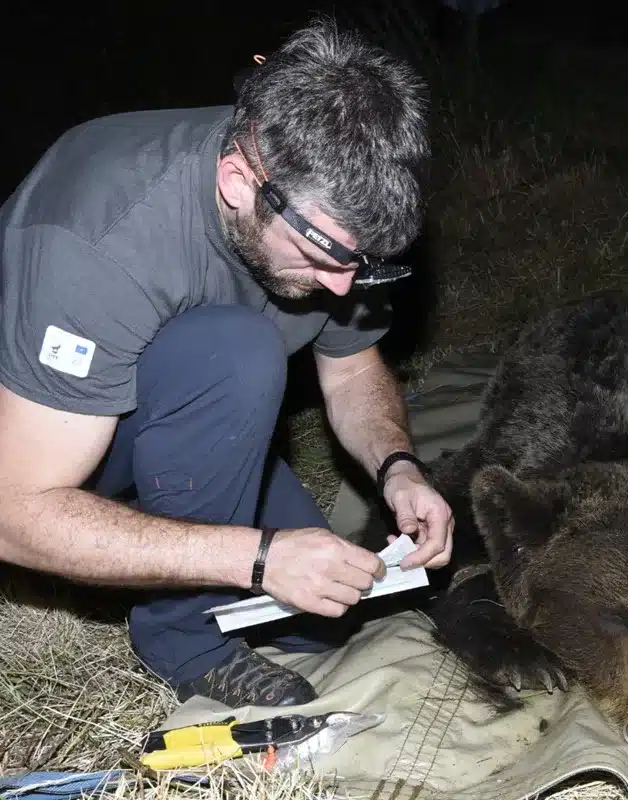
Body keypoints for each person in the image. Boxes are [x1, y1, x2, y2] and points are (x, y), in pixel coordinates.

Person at [0, 19, 455, 709]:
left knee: (331, 617)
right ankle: (186, 642)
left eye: (361, 265)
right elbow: (14, 514)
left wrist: (399, 470)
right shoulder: (98, 238)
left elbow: (354, 369)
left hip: (171, 418)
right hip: (44, 437)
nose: (342, 289)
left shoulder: (315, 214)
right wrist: (259, 558)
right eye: (326, 255)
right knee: (236, 353)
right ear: (240, 182)